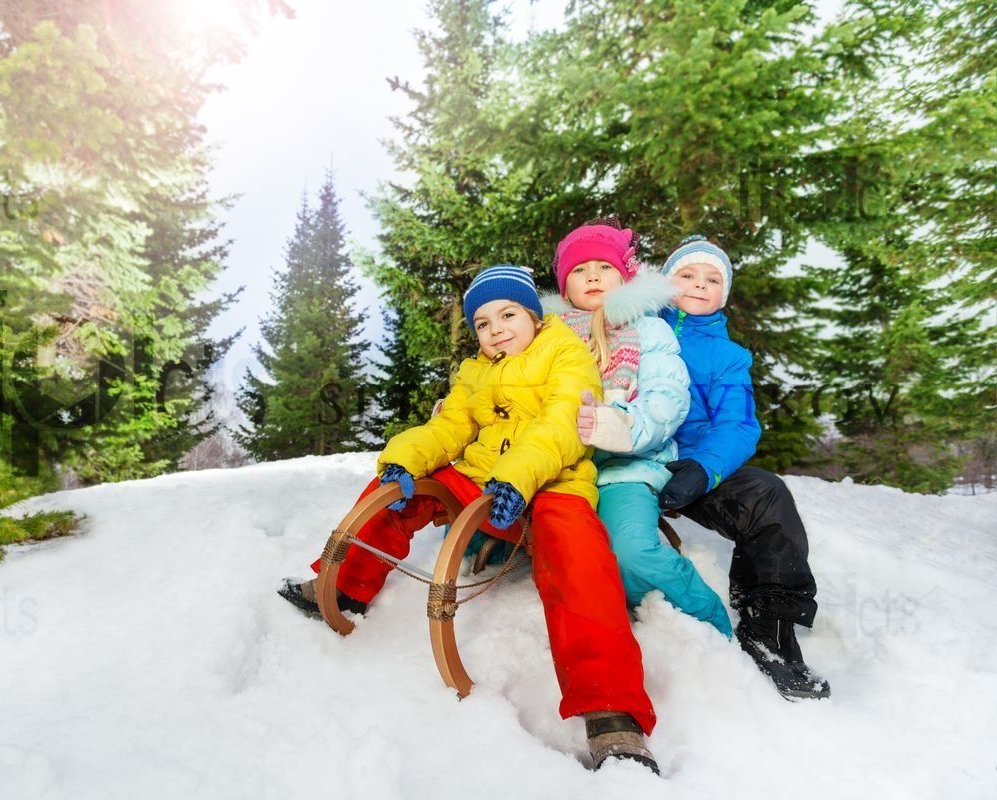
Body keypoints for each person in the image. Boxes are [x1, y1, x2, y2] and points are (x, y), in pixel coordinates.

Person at [278, 265, 660, 772]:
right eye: (482, 322)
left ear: (533, 315)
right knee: (398, 491)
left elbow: (562, 423)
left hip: (553, 482)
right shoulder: (474, 371)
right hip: (484, 480)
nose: (496, 329)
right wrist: (405, 459)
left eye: (507, 315)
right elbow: (451, 426)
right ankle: (345, 584)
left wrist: (517, 477)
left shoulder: (566, 352)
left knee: (579, 560)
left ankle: (612, 713)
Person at [658, 234, 829, 699]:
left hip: (693, 468)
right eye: (687, 274)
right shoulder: (635, 333)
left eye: (713, 279)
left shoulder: (728, 357)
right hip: (632, 459)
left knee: (768, 496)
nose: (700, 284)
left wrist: (702, 468)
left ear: (724, 295)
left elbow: (736, 424)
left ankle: (767, 627)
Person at [548, 219, 733, 637]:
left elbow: (667, 399)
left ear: (625, 277)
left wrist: (623, 427)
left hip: (627, 468)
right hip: (562, 467)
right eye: (579, 269)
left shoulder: (648, 329)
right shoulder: (547, 336)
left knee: (631, 553)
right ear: (564, 287)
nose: (592, 276)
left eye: (604, 267)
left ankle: (711, 623)